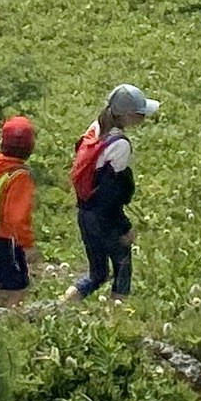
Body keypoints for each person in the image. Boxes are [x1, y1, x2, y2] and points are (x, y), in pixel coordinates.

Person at [70, 86, 157, 298]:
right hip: (104, 218)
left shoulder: (95, 128)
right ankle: (117, 321)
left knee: (97, 274)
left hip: (85, 214)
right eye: (141, 112)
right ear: (128, 115)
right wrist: (124, 228)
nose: (144, 117)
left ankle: (63, 304)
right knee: (122, 269)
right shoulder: (120, 146)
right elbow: (110, 196)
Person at [0, 114, 41, 295]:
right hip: (5, 241)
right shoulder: (19, 176)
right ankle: (7, 320)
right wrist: (27, 246)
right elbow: (17, 218)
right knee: (18, 287)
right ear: (30, 147)